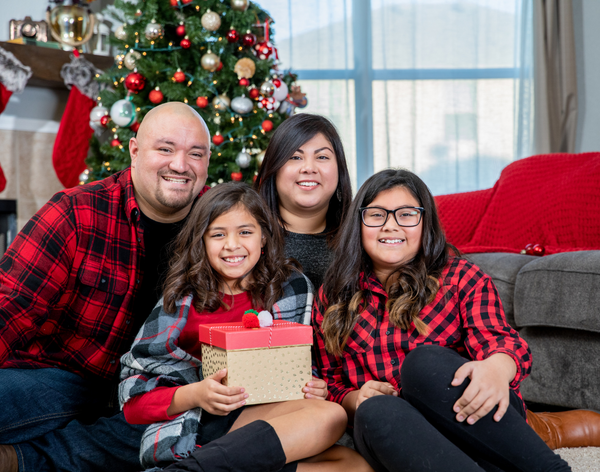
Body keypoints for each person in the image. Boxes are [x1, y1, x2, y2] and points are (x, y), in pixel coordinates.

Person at [312, 168, 573, 472]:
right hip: (415, 446)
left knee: (421, 365)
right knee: (373, 411)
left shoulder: (461, 277)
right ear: (358, 224)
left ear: (426, 224)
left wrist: (496, 367)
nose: (391, 226)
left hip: (478, 427)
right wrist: (355, 398)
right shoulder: (334, 296)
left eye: (406, 215)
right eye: (377, 215)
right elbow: (331, 383)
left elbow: (502, 341)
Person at [0, 102, 213, 472]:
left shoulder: (221, 228)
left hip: (160, 391)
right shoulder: (75, 212)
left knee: (197, 426)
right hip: (65, 379)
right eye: (165, 149)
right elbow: (8, 307)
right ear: (134, 150)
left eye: (195, 154)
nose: (180, 165)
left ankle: (20, 461)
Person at [119, 182, 373, 472]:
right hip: (203, 422)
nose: (232, 245)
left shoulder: (291, 288)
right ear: (201, 240)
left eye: (245, 232)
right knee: (329, 417)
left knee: (356, 465)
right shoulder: (182, 301)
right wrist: (198, 394)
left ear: (263, 237)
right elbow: (134, 404)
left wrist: (312, 387)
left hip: (269, 419)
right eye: (218, 234)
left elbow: (303, 367)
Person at [254, 113, 352, 290]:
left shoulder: (359, 237)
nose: (308, 168)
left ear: (340, 169)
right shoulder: (246, 237)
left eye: (322, 157)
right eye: (295, 157)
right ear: (274, 168)